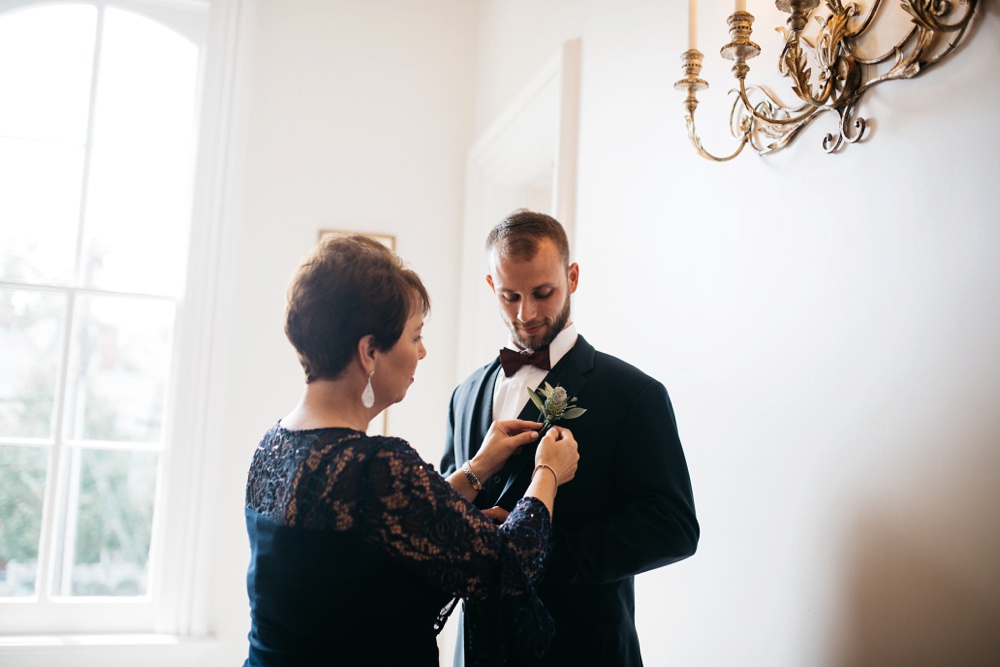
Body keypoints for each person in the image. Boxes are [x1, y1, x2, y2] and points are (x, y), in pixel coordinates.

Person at [243, 234, 579, 666]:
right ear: (369, 352)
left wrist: (476, 468)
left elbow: (376, 533)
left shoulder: (272, 446)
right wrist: (547, 475)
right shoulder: (375, 468)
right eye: (414, 336)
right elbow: (508, 569)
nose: (422, 351)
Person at [441, 209, 700, 666]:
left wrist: (540, 550)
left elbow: (673, 528)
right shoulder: (464, 396)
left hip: (583, 649)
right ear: (490, 288)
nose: (527, 313)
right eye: (510, 296)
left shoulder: (634, 394)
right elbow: (444, 509)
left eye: (543, 293)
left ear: (572, 277)